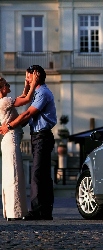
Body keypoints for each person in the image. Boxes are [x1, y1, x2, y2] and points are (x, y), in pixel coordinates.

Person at [0, 65, 57, 220]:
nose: (26, 78)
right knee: (41, 174)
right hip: (37, 136)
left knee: (38, 173)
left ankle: (39, 211)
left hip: (42, 135)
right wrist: (29, 84)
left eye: (28, 76)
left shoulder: (42, 93)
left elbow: (27, 114)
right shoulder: (37, 93)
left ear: (36, 76)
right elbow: (26, 110)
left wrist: (10, 126)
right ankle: (43, 211)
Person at [0, 74, 38, 221]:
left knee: (12, 173)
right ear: (2, 88)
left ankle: (13, 211)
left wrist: (27, 85)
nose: (9, 87)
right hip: (11, 139)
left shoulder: (4, 101)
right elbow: (27, 99)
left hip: (8, 140)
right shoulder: (5, 101)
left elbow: (22, 95)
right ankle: (16, 212)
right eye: (7, 85)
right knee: (15, 174)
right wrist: (33, 83)